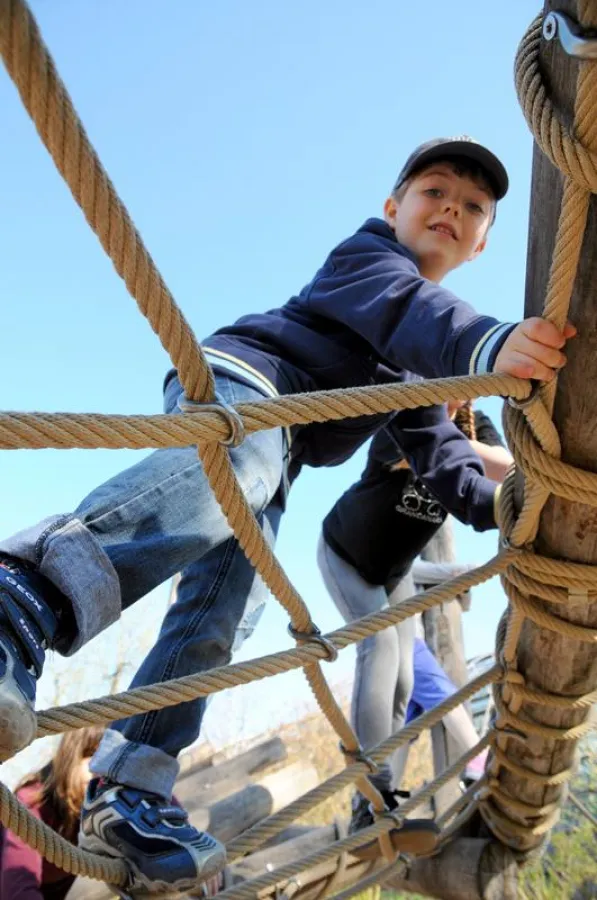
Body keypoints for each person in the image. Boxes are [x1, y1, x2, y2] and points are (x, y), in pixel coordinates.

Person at [0, 136, 575, 896]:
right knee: (244, 468)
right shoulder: (367, 260)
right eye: (434, 191)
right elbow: (409, 310)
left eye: (472, 207)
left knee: (227, 610)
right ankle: (22, 600)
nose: (451, 209)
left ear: (480, 244)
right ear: (392, 208)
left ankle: (133, 780)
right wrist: (489, 342)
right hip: (247, 383)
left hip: (280, 452)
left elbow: (442, 457)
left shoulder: (418, 369)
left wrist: (518, 510)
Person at [317, 400, 512, 830]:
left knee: (405, 680)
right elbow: (446, 457)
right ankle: (371, 793)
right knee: (381, 648)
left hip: (396, 572)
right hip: (346, 555)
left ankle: (376, 798)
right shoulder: (407, 413)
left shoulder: (474, 425)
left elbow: (508, 470)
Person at [0, 726, 103, 899]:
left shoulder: (94, 809)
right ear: (72, 758)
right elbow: (17, 889)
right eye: (93, 756)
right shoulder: (33, 803)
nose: (100, 774)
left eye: (108, 763)